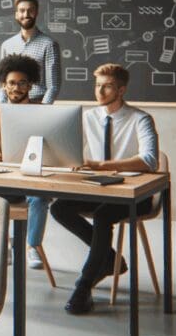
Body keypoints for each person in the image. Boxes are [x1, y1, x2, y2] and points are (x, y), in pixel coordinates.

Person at [50, 63, 159, 314]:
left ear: (121, 90)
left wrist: (102, 165)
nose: (99, 91)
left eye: (107, 86)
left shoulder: (140, 119)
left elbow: (150, 160)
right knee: (59, 209)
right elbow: (70, 150)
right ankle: (109, 258)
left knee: (102, 215)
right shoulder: (88, 117)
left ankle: (84, 284)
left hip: (135, 194)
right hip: (98, 190)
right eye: (97, 85)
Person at [0, 54, 52, 269]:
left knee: (40, 198)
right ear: (4, 86)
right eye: (12, 83)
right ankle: (1, 245)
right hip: (6, 179)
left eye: (22, 83)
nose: (16, 88)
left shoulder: (43, 112)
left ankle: (33, 246)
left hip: (33, 178)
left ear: (30, 85)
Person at [0, 0, 61, 104]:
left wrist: (42, 109)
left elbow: (53, 86)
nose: (26, 14)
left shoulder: (49, 44)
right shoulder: (6, 45)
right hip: (12, 105)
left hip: (37, 103)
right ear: (16, 14)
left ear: (36, 13)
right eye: (22, 11)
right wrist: (2, 107)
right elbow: (2, 82)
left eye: (30, 10)